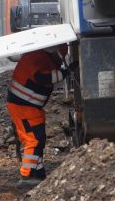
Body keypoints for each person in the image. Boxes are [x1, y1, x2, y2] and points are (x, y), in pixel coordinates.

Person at [7, 43, 71, 188]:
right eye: (60, 57)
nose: (61, 61)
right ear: (54, 52)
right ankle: (27, 175)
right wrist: (66, 72)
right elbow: (43, 77)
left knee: (39, 138)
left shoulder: (41, 56)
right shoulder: (36, 57)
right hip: (23, 107)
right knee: (34, 139)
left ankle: (38, 171)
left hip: (29, 107)